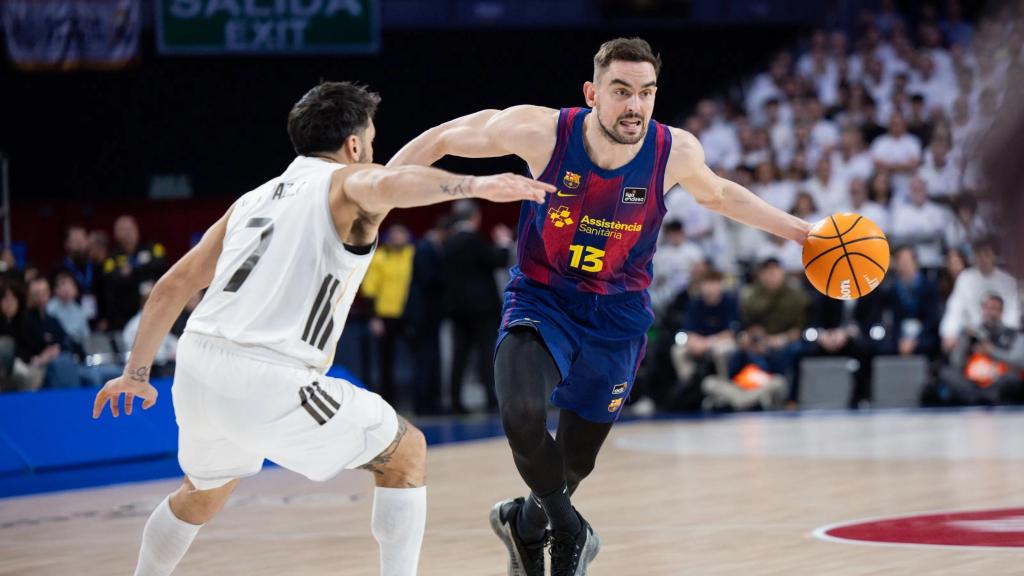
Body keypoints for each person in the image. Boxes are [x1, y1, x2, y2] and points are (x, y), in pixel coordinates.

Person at [91, 81, 552, 576]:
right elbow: (383, 185)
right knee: (405, 452)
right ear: (354, 145)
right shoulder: (344, 185)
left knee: (201, 493)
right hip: (269, 376)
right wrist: (474, 185)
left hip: (199, 369)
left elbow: (171, 285)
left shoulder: (251, 201)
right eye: (370, 141)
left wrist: (135, 373)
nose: (371, 152)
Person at [389, 38, 811, 576]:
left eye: (646, 93)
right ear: (592, 93)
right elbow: (443, 137)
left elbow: (722, 196)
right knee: (520, 415)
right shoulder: (543, 131)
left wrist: (801, 233)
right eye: (621, 91)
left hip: (617, 318)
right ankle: (572, 533)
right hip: (543, 299)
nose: (634, 105)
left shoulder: (673, 151)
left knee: (571, 467)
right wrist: (375, 190)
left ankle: (525, 524)